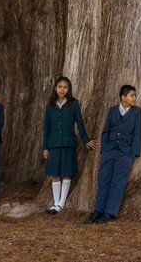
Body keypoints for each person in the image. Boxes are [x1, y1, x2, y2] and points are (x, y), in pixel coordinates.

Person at [85, 84, 141, 225]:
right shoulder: (112, 111)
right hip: (110, 150)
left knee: (118, 182)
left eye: (135, 95)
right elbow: (106, 130)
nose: (134, 98)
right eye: (132, 95)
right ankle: (98, 210)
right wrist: (104, 148)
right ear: (123, 97)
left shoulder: (137, 112)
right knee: (104, 179)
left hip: (125, 153)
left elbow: (138, 133)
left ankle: (109, 212)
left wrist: (133, 153)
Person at [42, 76, 98, 214]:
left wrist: (86, 141)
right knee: (55, 173)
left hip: (68, 143)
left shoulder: (73, 104)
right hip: (53, 144)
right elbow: (46, 128)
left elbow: (79, 123)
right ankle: (55, 203)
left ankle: (61, 204)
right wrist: (45, 147)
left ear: (69, 89)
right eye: (60, 86)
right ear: (55, 88)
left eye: (65, 87)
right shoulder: (50, 106)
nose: (62, 89)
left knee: (66, 173)